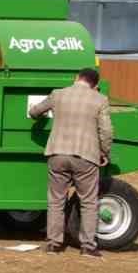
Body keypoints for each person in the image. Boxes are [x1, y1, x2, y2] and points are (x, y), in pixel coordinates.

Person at [29, 67, 113, 257]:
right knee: (89, 202)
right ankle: (88, 247)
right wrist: (104, 152)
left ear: (76, 78)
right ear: (96, 85)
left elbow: (35, 112)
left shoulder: (58, 94)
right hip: (86, 156)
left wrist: (39, 118)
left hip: (57, 154)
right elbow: (106, 131)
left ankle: (54, 244)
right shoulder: (100, 99)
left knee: (56, 201)